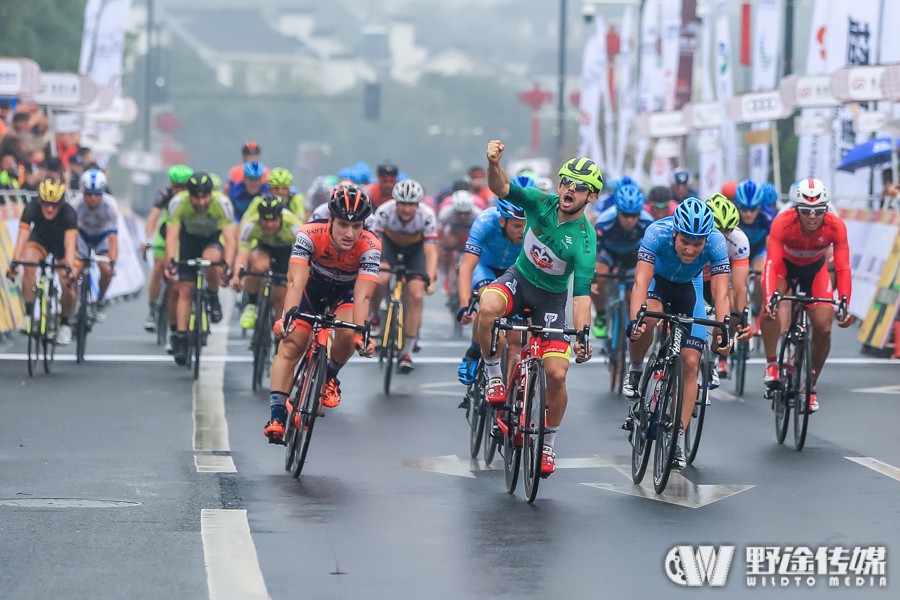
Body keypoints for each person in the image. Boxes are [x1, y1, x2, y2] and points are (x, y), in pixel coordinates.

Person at [478, 141, 596, 477]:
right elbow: (500, 187)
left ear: (592, 197)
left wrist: (583, 334)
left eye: (580, 187)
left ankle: (547, 444)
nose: (570, 189)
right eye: (566, 182)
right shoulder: (539, 202)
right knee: (487, 306)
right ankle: (494, 376)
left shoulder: (586, 241)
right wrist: (494, 163)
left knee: (557, 374)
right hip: (519, 280)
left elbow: (582, 295)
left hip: (551, 301)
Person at [625, 197, 737, 470]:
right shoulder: (656, 233)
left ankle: (677, 437)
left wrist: (724, 330)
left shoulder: (716, 242)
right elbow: (641, 280)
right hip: (657, 283)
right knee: (648, 319)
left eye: (697, 244)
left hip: (689, 287)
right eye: (685, 241)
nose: (690, 250)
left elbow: (721, 292)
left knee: (690, 362)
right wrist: (634, 320)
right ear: (674, 233)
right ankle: (637, 367)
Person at [263, 186, 380, 444]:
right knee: (294, 342)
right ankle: (277, 414)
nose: (350, 233)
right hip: (312, 288)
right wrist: (287, 318)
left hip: (346, 292)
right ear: (330, 219)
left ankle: (329, 376)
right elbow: (295, 281)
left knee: (348, 334)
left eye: (357, 226)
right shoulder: (309, 234)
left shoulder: (370, 246)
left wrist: (362, 334)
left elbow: (363, 296)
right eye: (342, 225)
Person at [761, 178, 853, 412]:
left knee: (823, 328)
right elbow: (771, 263)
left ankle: (809, 385)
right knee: (769, 307)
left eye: (818, 210)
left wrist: (844, 302)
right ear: (796, 209)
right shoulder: (782, 222)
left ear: (825, 209)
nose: (812, 216)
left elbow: (842, 267)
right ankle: (772, 363)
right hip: (785, 267)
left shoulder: (836, 225)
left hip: (815, 270)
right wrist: (771, 295)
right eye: (806, 211)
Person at [165, 172, 238, 365]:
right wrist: (171, 261)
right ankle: (181, 336)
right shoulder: (177, 203)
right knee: (185, 289)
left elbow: (230, 240)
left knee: (210, 259)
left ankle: (213, 298)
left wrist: (228, 265)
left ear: (211, 194)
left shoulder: (222, 204)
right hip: (189, 240)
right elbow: (172, 236)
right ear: (189, 195)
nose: (200, 202)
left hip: (212, 240)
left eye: (204, 197)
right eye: (196, 197)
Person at [456, 197, 526, 389]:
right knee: (487, 301)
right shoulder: (486, 222)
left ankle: (511, 394)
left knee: (516, 340)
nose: (523, 231)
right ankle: (473, 351)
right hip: (485, 267)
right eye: (517, 226)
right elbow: (466, 267)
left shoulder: (535, 229)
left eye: (525, 226)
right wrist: (464, 305)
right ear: (502, 221)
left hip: (514, 271)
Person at [370, 179, 438, 372]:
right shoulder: (384, 212)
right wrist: (372, 269)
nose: (406, 209)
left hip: (415, 252)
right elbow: (375, 245)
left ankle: (406, 352)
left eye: (411, 205)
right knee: (380, 279)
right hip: (389, 248)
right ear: (395, 203)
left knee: (416, 295)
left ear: (418, 205)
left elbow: (431, 251)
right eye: (402, 204)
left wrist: (430, 279)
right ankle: (375, 314)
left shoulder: (427, 216)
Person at [7, 179, 77, 343]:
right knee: (29, 261)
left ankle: (65, 324)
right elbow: (22, 238)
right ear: (39, 201)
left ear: (61, 203)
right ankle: (28, 315)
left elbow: (70, 243)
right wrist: (16, 262)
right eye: (45, 203)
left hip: (61, 246)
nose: (50, 208)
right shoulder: (31, 208)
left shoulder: (69, 213)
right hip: (40, 241)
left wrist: (69, 268)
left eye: (54, 204)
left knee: (67, 281)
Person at [591, 183, 653, 339]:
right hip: (609, 252)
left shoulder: (648, 223)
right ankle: (601, 314)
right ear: (618, 211)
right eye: (625, 214)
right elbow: (593, 252)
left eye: (634, 215)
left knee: (629, 295)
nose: (629, 220)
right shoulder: (603, 222)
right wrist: (593, 278)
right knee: (598, 278)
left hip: (633, 254)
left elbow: (652, 254)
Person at [232, 194, 303, 329]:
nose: (269, 225)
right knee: (258, 266)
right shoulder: (250, 225)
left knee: (280, 298)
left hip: (285, 252)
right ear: (259, 218)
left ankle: (279, 334)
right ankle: (252, 304)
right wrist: (237, 275)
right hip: (263, 249)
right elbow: (242, 254)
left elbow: (301, 258)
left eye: (274, 220)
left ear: (281, 218)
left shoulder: (294, 226)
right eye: (265, 220)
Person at [704, 194, 752, 381]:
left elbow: (740, 286)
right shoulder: (695, 237)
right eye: (718, 229)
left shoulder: (739, 240)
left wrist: (741, 318)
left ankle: (718, 354)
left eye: (728, 229)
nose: (724, 235)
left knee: (731, 306)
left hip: (719, 276)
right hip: (695, 276)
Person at [144, 164, 193, 335]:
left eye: (183, 187)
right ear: (171, 185)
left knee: (175, 280)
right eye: (176, 186)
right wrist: (148, 239)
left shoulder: (193, 198)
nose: (179, 190)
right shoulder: (164, 195)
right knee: (158, 268)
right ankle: (152, 309)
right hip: (164, 233)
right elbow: (153, 217)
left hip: (181, 237)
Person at [69, 169, 118, 322]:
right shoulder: (75, 204)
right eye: (88, 194)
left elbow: (113, 239)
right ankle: (74, 304)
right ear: (82, 192)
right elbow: (70, 235)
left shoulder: (110, 206)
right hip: (81, 236)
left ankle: (100, 300)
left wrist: (112, 262)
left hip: (101, 237)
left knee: (106, 270)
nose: (93, 198)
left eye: (97, 194)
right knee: (75, 271)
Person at [734, 179, 774, 314]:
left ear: (759, 206)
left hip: (759, 249)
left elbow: (771, 246)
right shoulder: (731, 213)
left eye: (753, 209)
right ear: (738, 206)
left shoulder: (767, 216)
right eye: (744, 209)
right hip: (737, 250)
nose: (748, 214)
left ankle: (758, 306)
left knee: (761, 273)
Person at [437, 189, 482, 293]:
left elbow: (483, 236)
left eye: (466, 213)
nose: (462, 217)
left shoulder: (477, 213)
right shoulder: (445, 213)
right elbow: (438, 234)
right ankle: (448, 274)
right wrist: (441, 251)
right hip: (453, 234)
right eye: (459, 213)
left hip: (470, 235)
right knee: (448, 246)